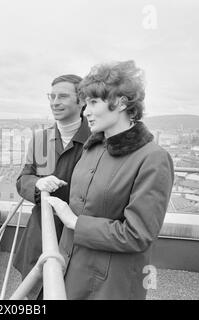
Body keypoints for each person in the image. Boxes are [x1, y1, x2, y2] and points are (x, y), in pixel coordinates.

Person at [46, 60, 174, 300]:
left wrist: (75, 222)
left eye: (94, 102)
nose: (86, 112)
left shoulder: (154, 158)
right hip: (69, 272)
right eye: (86, 103)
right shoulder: (91, 149)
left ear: (122, 102)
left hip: (109, 286)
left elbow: (138, 234)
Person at [13, 74, 91, 299]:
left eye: (63, 96)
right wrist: (37, 183)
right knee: (35, 293)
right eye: (52, 96)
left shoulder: (97, 141)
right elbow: (22, 179)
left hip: (77, 236)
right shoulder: (39, 139)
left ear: (82, 101)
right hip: (41, 232)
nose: (55, 102)